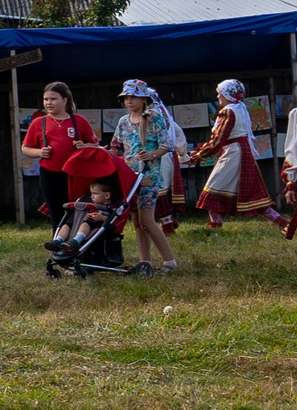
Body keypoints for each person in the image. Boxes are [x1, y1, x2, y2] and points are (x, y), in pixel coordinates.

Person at [109, 80, 184, 269]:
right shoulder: (123, 122)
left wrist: (152, 155)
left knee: (147, 220)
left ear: (144, 99)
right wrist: (98, 150)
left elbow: (166, 145)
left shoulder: (154, 118)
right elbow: (117, 148)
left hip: (148, 176)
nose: (129, 101)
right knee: (136, 221)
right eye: (126, 97)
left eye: (133, 97)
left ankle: (169, 261)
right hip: (129, 177)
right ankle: (145, 262)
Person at [192, 79, 278, 227]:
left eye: (220, 94)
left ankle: (215, 226)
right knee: (252, 191)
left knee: (212, 188)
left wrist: (199, 155)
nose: (218, 96)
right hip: (241, 151)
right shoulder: (240, 108)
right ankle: (282, 222)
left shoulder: (228, 111)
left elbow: (219, 139)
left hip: (234, 153)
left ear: (228, 95)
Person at [22, 82, 100, 239]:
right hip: (50, 174)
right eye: (46, 99)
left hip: (75, 174)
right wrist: (39, 152)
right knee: (56, 212)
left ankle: (78, 242)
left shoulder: (78, 120)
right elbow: (25, 148)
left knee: (76, 210)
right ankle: (57, 246)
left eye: (53, 99)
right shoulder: (39, 123)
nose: (48, 103)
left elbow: (95, 143)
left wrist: (83, 145)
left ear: (64, 100)